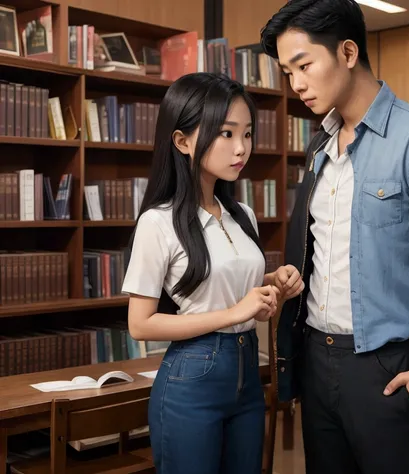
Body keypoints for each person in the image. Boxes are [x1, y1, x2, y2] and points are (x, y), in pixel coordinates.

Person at [260, 1, 409, 473]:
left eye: (304, 65)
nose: (295, 83)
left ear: (349, 52)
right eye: (286, 71)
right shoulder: (319, 146)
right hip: (318, 357)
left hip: (389, 365)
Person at [121, 72, 304, 474]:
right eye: (226, 133)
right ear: (183, 141)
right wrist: (236, 312)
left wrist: (274, 286)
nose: (241, 148)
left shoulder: (244, 215)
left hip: (248, 375)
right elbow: (140, 324)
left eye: (248, 134)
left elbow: (241, 297)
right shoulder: (158, 221)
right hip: (192, 377)